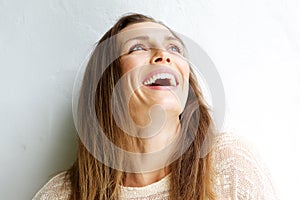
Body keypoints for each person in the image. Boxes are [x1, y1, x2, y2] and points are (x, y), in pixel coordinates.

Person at [33, 13, 278, 200]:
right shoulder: (61, 195)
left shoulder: (230, 164)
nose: (164, 55)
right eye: (138, 47)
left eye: (174, 48)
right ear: (108, 82)